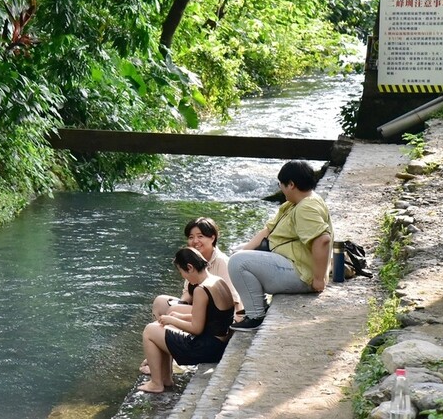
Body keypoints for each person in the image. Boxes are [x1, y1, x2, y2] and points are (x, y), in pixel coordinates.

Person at [227, 160, 333, 332]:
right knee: (238, 255)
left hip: (302, 273)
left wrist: (319, 279)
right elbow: (268, 230)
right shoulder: (295, 203)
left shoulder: (306, 208)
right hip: (291, 261)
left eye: (281, 184)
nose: (280, 188)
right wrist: (244, 250)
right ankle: (257, 305)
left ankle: (255, 316)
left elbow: (323, 240)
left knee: (238, 263)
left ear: (291, 184)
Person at [140, 217, 240, 375]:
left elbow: (234, 302)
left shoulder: (219, 264)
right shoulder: (199, 266)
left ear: (212, 237)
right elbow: (187, 295)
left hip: (213, 325)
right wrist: (176, 313)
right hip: (208, 317)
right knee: (161, 303)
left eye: (200, 236)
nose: (195, 241)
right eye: (191, 237)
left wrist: (174, 319)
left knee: (156, 327)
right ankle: (161, 352)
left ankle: (161, 361)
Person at [138, 247, 235, 393]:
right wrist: (178, 317)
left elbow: (196, 328)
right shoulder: (218, 281)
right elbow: (212, 317)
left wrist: (172, 321)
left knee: (150, 331)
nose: (183, 276)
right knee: (162, 329)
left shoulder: (201, 290)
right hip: (219, 344)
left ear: (190, 267)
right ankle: (166, 379)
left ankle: (156, 383)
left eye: (182, 272)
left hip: (206, 348)